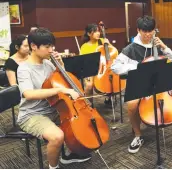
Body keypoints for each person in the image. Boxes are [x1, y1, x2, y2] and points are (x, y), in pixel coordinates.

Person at [111, 15, 172, 155]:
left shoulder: (158, 44)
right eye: (145, 31)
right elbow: (115, 67)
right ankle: (138, 136)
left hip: (160, 84)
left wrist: (164, 47)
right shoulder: (130, 49)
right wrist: (137, 67)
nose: (148, 34)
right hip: (141, 85)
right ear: (138, 30)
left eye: (151, 31)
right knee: (132, 104)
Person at [17, 28, 91, 169]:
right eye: (47, 46)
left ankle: (69, 155)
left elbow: (62, 80)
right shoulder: (24, 69)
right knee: (57, 137)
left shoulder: (48, 63)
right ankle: (53, 167)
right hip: (32, 114)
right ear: (33, 46)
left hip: (53, 108)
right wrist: (60, 90)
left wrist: (61, 65)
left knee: (80, 123)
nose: (51, 50)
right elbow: (28, 94)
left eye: (52, 46)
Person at [80, 23, 112, 100]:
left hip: (103, 68)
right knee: (89, 85)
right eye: (95, 31)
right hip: (90, 70)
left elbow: (112, 53)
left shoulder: (102, 41)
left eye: (98, 31)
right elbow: (83, 62)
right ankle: (89, 104)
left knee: (111, 78)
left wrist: (108, 45)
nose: (98, 33)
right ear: (88, 34)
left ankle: (109, 98)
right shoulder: (84, 46)